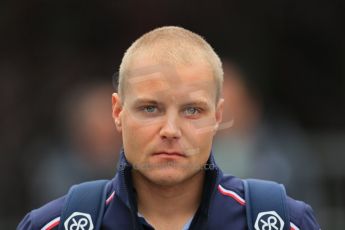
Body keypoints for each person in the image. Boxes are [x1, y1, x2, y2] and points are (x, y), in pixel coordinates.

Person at [18, 26, 320, 230]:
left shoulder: (283, 222)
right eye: (150, 108)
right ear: (118, 112)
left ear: (218, 117)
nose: (171, 129)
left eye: (192, 110)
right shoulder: (55, 224)